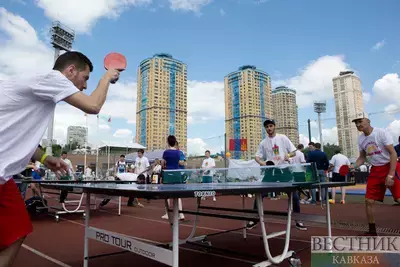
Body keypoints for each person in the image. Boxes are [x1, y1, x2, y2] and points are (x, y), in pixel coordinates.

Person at [0, 51, 120, 267]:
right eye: (85, 79)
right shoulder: (52, 79)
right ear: (70, 70)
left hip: (2, 178)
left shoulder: (40, 92)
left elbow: (16, 135)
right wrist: (106, 78)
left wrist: (45, 157)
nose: (84, 86)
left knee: (17, 231)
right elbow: (93, 106)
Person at [248, 119, 307, 231]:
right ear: (265, 129)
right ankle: (254, 219)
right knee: (259, 194)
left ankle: (298, 219)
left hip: (284, 170)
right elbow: (257, 157)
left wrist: (288, 155)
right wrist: (262, 163)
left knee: (294, 195)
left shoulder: (283, 138)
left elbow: (294, 152)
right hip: (271, 171)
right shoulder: (263, 143)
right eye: (267, 127)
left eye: (271, 126)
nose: (269, 128)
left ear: (274, 126)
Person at [353, 112, 400, 236]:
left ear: (368, 121)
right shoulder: (361, 139)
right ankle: (372, 231)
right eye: (356, 122)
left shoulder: (381, 133)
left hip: (390, 166)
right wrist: (353, 166)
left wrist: (390, 174)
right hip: (375, 169)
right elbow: (362, 158)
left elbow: (393, 153)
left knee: (398, 199)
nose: (358, 124)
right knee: (369, 200)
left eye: (360, 121)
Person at [161, 135, 185, 221]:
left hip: (168, 174)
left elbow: (163, 163)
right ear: (175, 142)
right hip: (177, 174)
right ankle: (181, 214)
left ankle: (167, 214)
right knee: (177, 195)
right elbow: (180, 162)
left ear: (168, 142)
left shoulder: (166, 152)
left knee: (167, 195)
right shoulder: (179, 152)